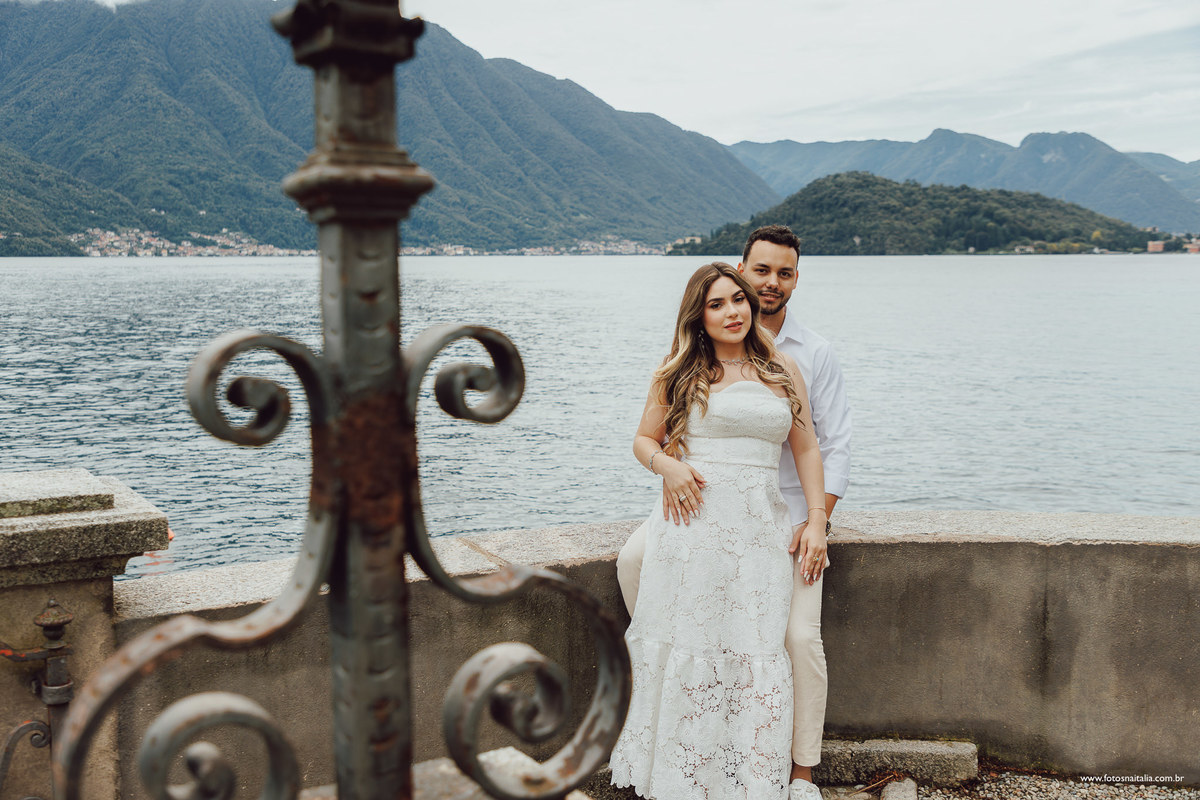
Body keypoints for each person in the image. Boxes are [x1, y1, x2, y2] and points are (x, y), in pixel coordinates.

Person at [616, 225, 851, 799]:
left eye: (737, 300)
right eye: (717, 303)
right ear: (699, 315)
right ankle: (686, 760)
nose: (733, 310)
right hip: (694, 522)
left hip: (764, 523)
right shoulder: (677, 370)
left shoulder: (789, 365)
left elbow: (813, 448)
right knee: (688, 635)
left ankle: (788, 773)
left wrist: (818, 520)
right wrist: (667, 467)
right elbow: (644, 440)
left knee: (767, 644)